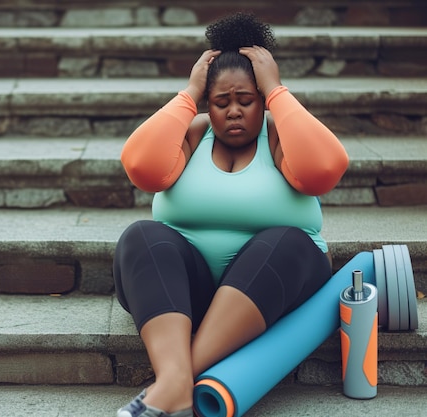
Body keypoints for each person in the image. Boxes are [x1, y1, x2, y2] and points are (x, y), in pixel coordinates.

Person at [113, 12, 349, 417]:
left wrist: (276, 89)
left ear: (262, 100)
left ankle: (171, 385)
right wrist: (189, 93)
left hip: (273, 289)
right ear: (208, 103)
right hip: (186, 297)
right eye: (222, 102)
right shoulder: (191, 133)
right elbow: (141, 166)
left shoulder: (278, 135)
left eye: (247, 100)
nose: (234, 111)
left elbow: (324, 168)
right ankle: (174, 384)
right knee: (142, 237)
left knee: (287, 240)